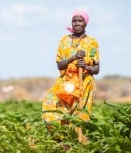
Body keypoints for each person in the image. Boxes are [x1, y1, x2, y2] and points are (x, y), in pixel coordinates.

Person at [42, 9, 100, 142]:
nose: (77, 23)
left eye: (80, 21)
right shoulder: (64, 40)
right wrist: (73, 58)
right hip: (65, 82)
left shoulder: (92, 42)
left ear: (86, 23)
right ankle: (60, 142)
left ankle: (74, 145)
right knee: (50, 108)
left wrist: (85, 66)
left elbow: (97, 68)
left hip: (84, 83)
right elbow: (59, 65)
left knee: (78, 117)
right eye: (74, 20)